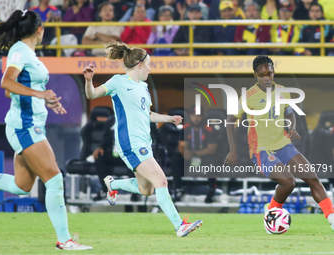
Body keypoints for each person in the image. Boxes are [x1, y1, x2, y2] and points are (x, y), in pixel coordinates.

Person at [82, 40, 202, 237]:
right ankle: (179, 225)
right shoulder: (118, 82)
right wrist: (88, 80)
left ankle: (113, 184)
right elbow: (92, 94)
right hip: (130, 143)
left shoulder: (144, 87)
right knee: (161, 181)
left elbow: (147, 114)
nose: (150, 68)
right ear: (139, 65)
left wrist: (169, 119)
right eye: (149, 64)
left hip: (144, 142)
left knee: (145, 189)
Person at [0, 10, 91, 250]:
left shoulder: (28, 53)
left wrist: (45, 99)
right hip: (24, 126)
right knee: (55, 179)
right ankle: (64, 240)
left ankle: (65, 239)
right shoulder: (19, 50)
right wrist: (40, 93)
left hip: (32, 124)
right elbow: (5, 83)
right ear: (40, 30)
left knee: (21, 187)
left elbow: (12, 90)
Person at [224, 55, 334, 231]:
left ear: (274, 72)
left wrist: (291, 127)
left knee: (313, 178)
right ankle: (273, 210)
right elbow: (230, 120)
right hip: (261, 150)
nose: (266, 78)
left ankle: (332, 219)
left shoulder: (283, 91)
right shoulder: (249, 96)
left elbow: (290, 113)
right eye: (262, 75)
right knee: (289, 182)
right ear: (255, 76)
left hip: (283, 144)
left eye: (269, 73)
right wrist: (232, 150)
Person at [171, 106, 218, 203]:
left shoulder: (209, 129)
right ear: (190, 116)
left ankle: (211, 190)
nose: (196, 118)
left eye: (198, 116)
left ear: (203, 116)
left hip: (204, 156)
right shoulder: (186, 128)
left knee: (212, 161)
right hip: (189, 157)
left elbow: (212, 148)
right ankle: (178, 189)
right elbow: (181, 145)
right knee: (176, 159)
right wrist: (185, 153)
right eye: (193, 115)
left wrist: (195, 153)